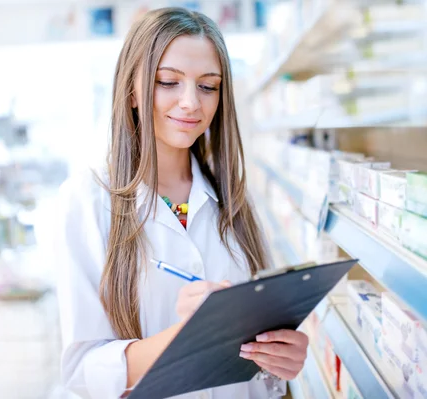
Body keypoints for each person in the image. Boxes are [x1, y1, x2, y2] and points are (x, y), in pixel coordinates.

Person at [53, 7, 309, 399]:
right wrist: (189, 336)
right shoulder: (86, 202)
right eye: (168, 82)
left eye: (208, 86)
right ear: (133, 91)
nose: (191, 103)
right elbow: (83, 371)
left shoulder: (235, 200)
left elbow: (261, 370)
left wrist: (281, 362)